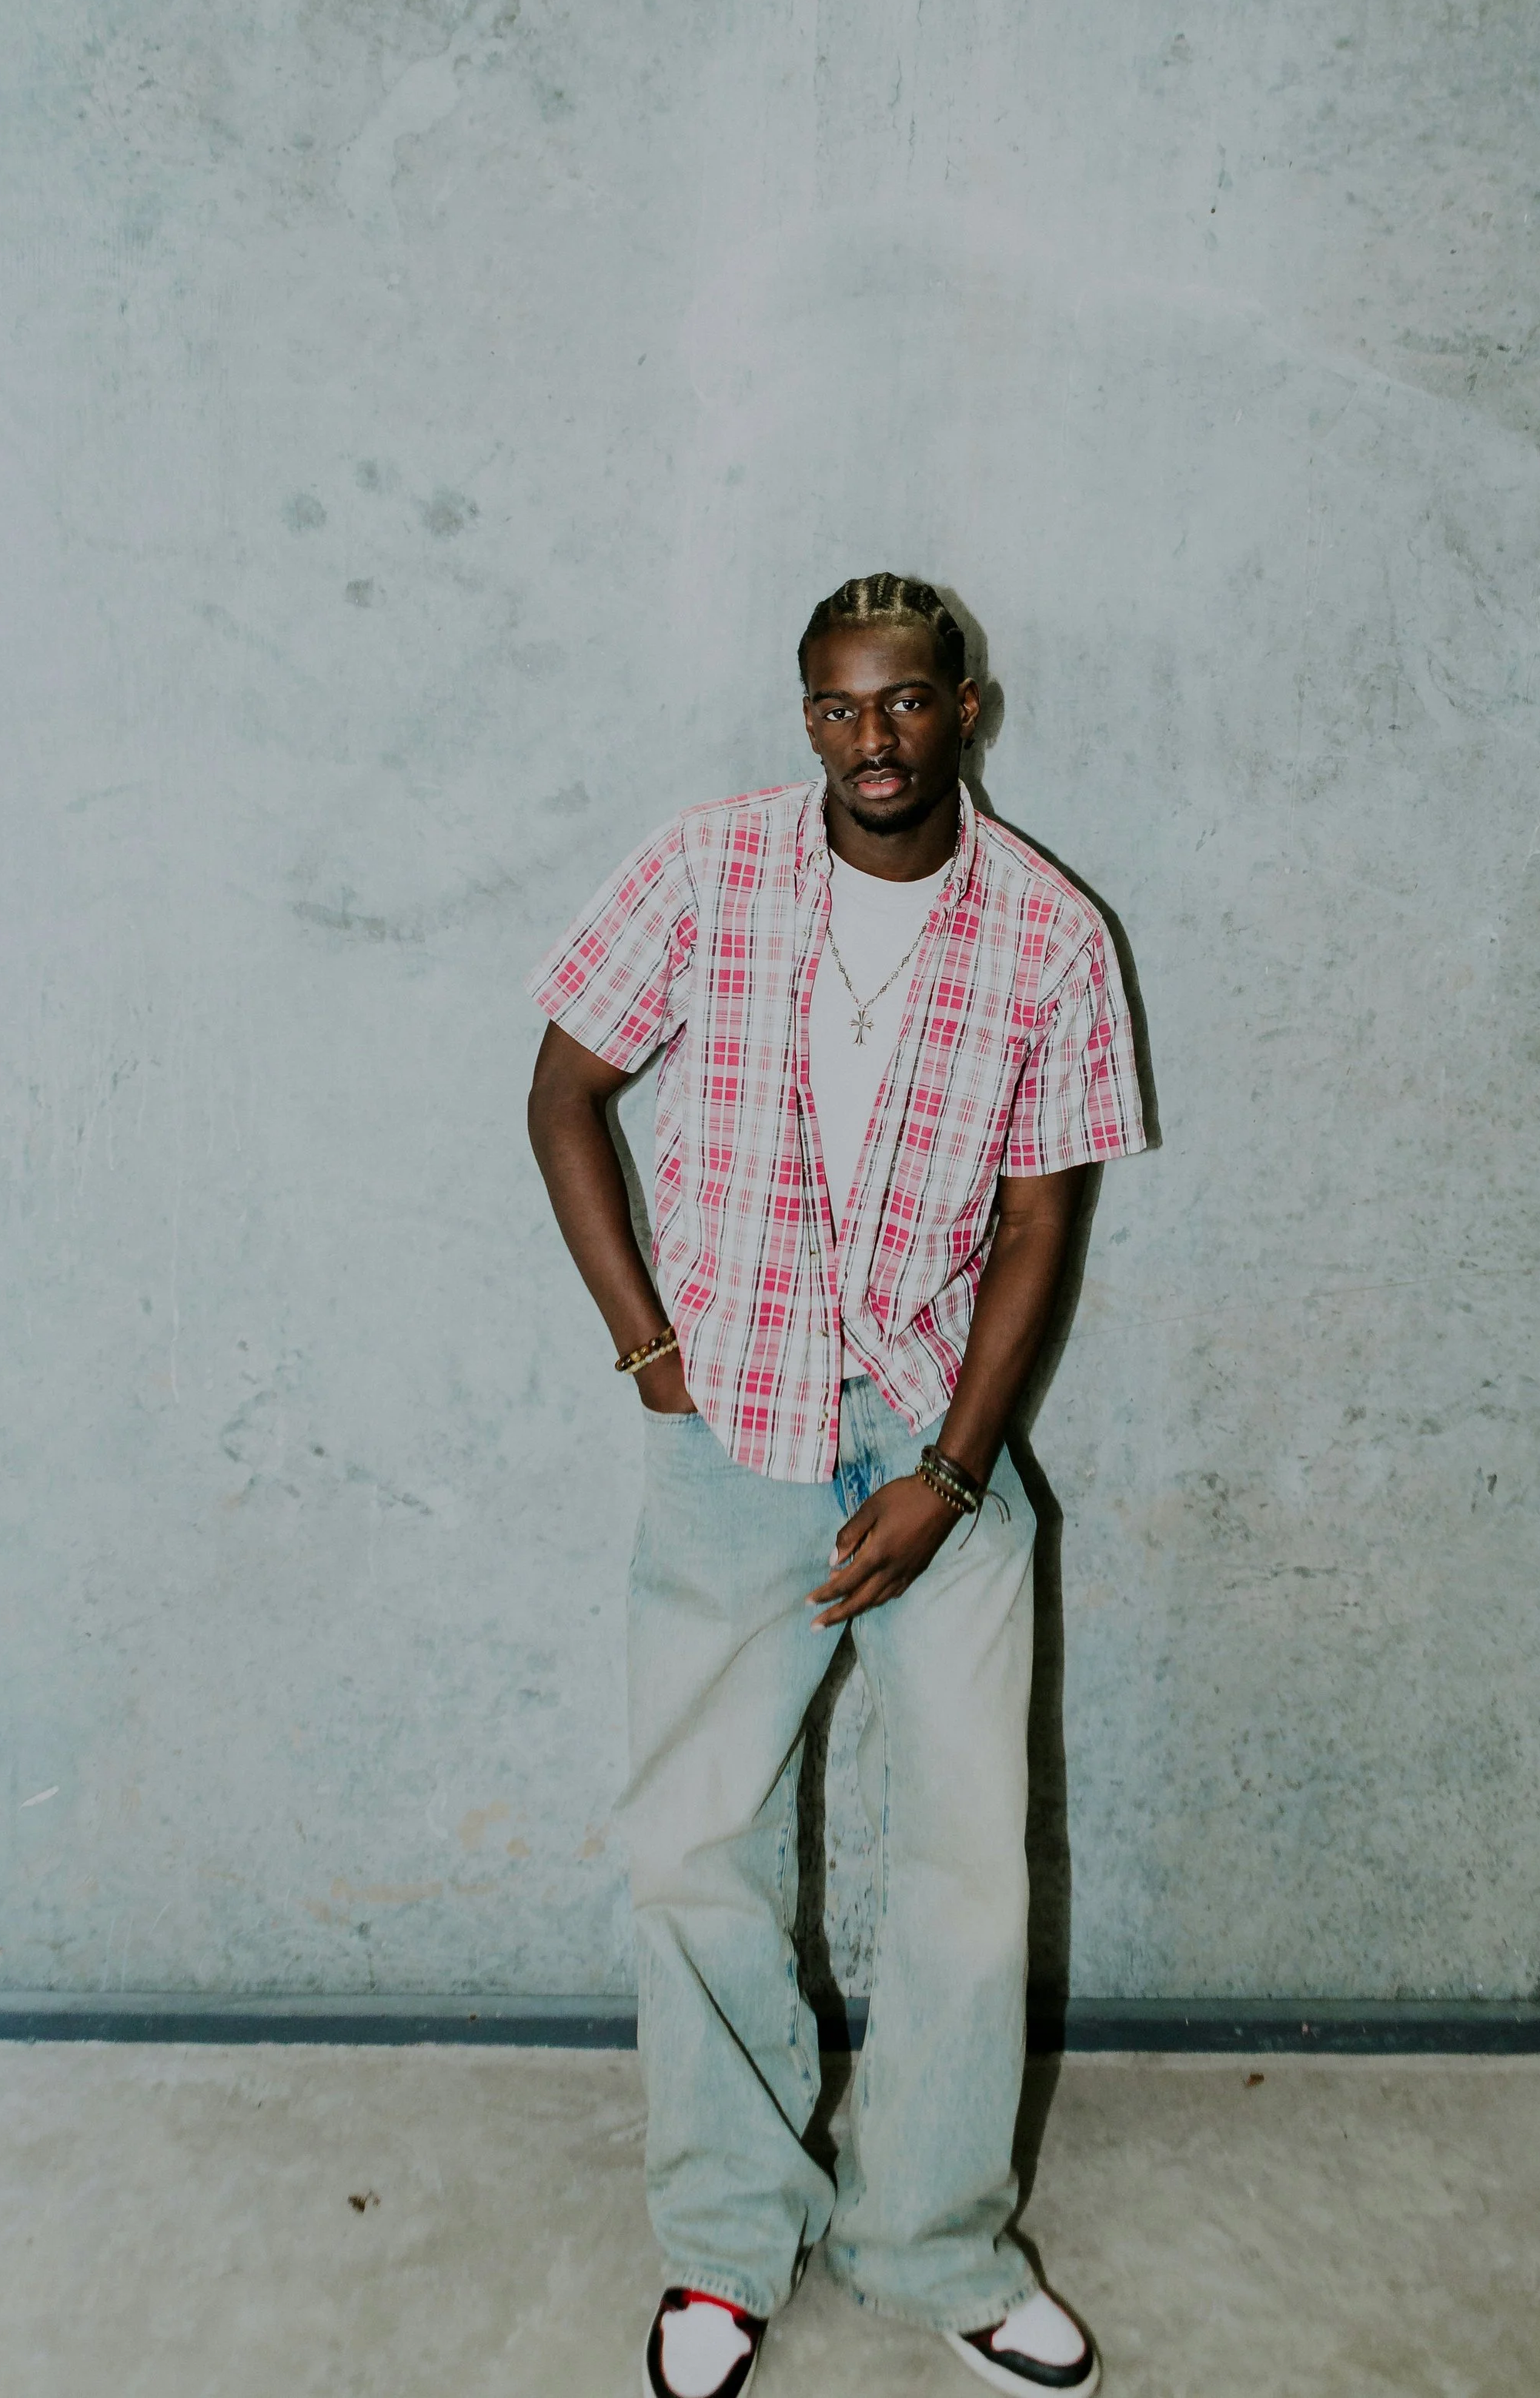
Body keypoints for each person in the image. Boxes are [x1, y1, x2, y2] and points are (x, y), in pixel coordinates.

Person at [527, 574, 1147, 2398]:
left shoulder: (1046, 930)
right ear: (804, 715)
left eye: (901, 703)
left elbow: (1041, 1222)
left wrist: (952, 1473)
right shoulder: (704, 870)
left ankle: (936, 2240)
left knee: (964, 1868)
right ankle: (725, 2240)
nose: (867, 740)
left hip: (934, 1446)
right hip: (733, 1433)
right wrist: (656, 1360)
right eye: (832, 707)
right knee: (694, 1843)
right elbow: (562, 1092)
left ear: (969, 707)